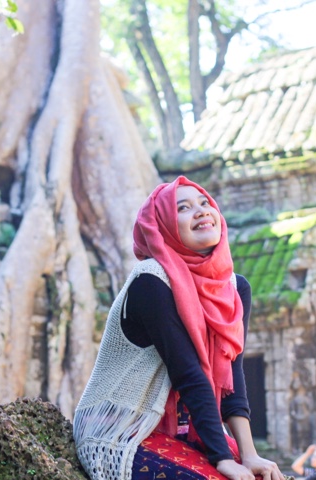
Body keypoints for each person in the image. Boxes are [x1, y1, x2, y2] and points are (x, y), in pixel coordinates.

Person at [73, 176, 285, 480]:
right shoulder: (151, 280)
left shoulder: (235, 288)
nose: (201, 211)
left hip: (190, 431)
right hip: (123, 430)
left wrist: (249, 455)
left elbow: (232, 377)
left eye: (205, 203)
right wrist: (223, 459)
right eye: (183, 208)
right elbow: (187, 373)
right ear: (163, 227)